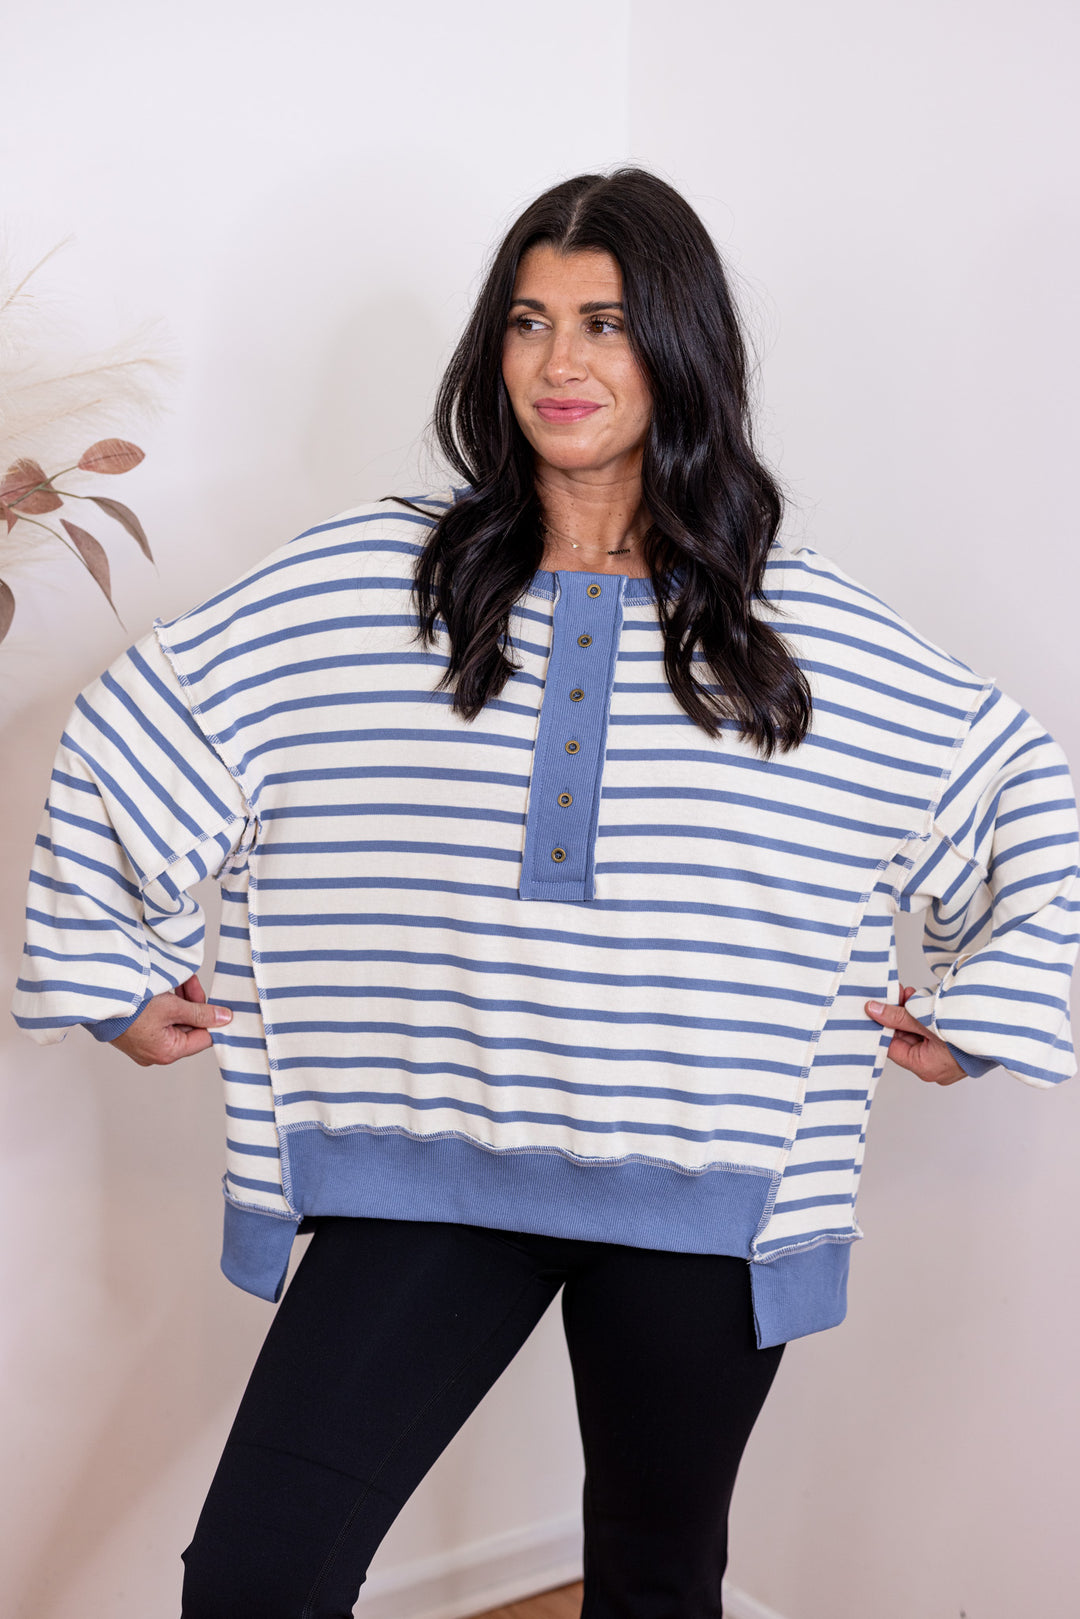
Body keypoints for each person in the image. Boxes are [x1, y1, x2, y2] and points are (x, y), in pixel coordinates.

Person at [11, 167, 1080, 1619]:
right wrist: (111, 976)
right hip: (424, 1154)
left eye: (606, 323)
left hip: (704, 1189)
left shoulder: (800, 631)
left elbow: (1017, 791)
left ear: (681, 347)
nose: (559, 363)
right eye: (528, 321)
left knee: (653, 1582)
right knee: (259, 1575)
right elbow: (142, 728)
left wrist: (983, 1008)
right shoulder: (370, 582)